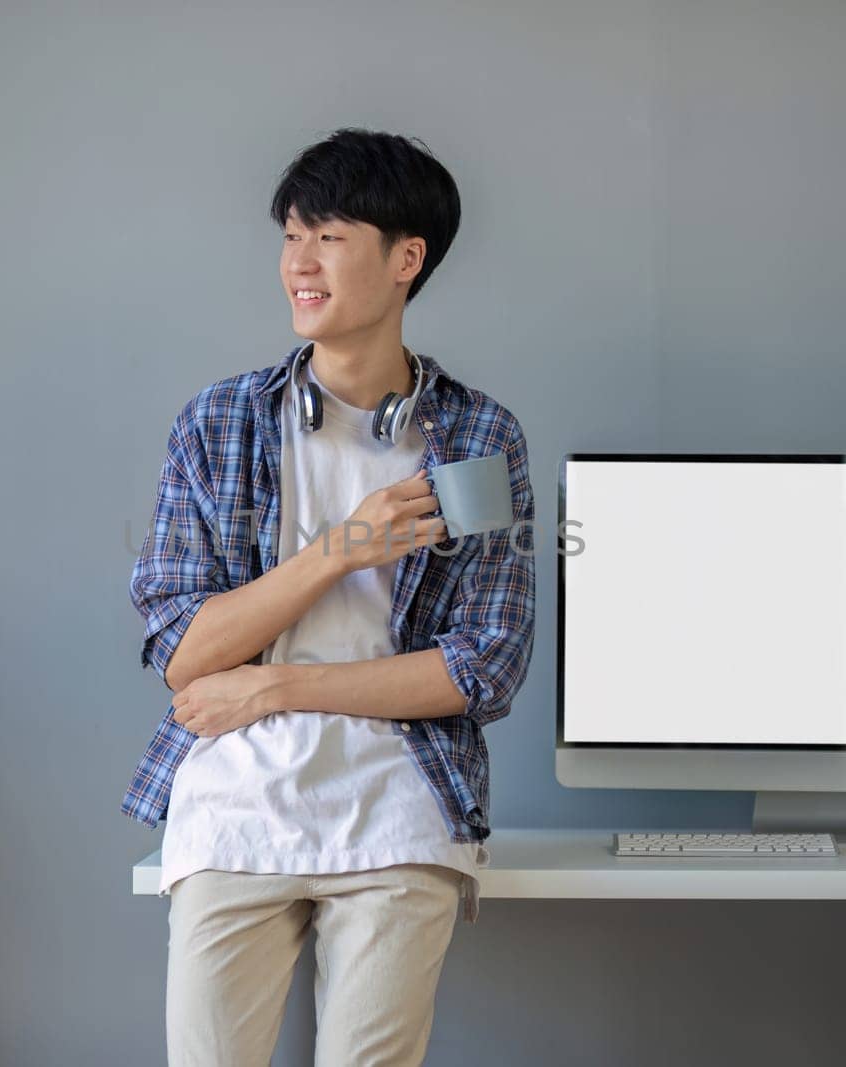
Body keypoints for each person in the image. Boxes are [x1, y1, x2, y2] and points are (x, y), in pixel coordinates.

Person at [122, 127, 536, 1066]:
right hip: (233, 808)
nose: (298, 264)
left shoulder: (476, 437)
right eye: (290, 237)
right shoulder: (219, 421)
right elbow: (186, 656)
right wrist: (339, 551)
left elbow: (484, 666)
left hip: (401, 804)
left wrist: (274, 687)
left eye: (329, 236)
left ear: (406, 258)